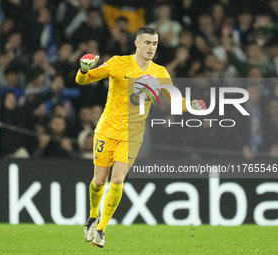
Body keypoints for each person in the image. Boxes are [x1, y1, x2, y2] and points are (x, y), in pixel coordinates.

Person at [75, 26, 207, 248]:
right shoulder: (118, 63)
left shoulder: (159, 72)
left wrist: (191, 106)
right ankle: (92, 216)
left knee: (117, 180)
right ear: (137, 43)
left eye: (155, 44)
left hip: (132, 134)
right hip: (107, 129)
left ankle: (101, 229)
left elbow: (174, 100)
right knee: (99, 181)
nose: (151, 48)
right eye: (147, 43)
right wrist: (83, 70)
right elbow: (84, 80)